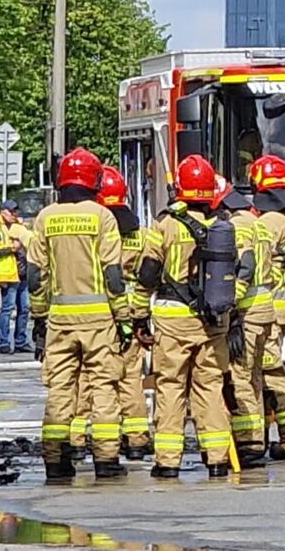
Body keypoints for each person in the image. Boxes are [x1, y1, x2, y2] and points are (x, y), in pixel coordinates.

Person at [26, 148, 130, 481]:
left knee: (60, 390)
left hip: (59, 321)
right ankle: (106, 459)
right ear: (94, 181)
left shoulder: (45, 218)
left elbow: (35, 274)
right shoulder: (102, 217)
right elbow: (113, 274)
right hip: (99, 321)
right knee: (103, 388)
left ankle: (55, 460)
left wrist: (39, 316)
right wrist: (124, 318)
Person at [137, 155, 237, 480]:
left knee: (171, 387)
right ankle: (217, 459)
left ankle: (168, 461)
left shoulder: (165, 225)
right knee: (210, 388)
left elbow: (148, 272)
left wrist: (138, 315)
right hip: (212, 321)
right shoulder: (222, 226)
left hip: (173, 322)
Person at [96, 167, 158, 461]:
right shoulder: (142, 235)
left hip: (104, 312)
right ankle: (136, 438)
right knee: (131, 376)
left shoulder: (98, 231)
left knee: (99, 378)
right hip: (135, 311)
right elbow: (150, 273)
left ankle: (94, 439)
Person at [251, 154, 285, 461]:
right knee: (264, 373)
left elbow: (258, 266)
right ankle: (266, 432)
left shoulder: (268, 223)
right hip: (279, 307)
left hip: (266, 310)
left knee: (270, 373)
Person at [218, 175, 271, 467]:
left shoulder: (237, 225)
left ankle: (249, 443)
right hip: (264, 310)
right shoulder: (255, 220)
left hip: (248, 312)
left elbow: (245, 267)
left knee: (240, 377)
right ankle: (258, 437)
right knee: (254, 377)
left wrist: (232, 306)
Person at [0, 199, 31, 355]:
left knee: (24, 309)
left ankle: (20, 342)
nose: (14, 214)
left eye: (15, 211)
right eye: (11, 211)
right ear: (3, 212)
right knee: (7, 309)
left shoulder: (19, 227)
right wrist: (12, 248)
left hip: (22, 274)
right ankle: (4, 343)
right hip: (8, 275)